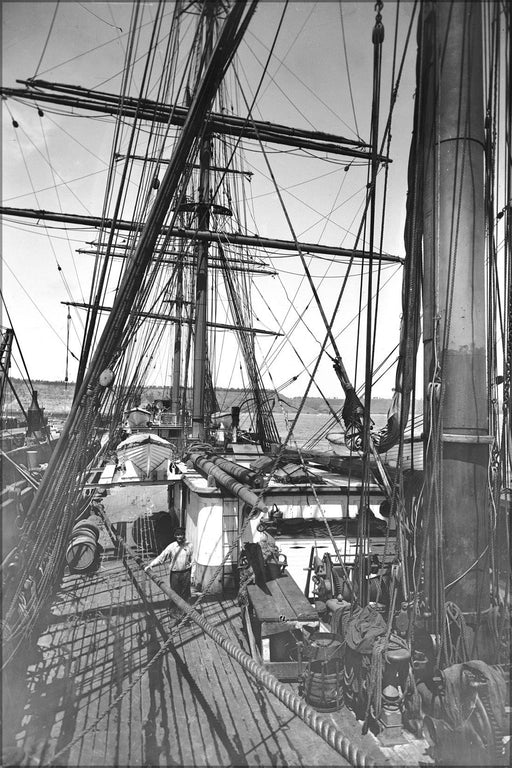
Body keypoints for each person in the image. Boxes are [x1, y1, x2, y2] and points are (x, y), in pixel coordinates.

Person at [144, 527, 194, 620]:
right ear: (175, 536)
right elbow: (161, 557)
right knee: (174, 594)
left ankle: (184, 615)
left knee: (186, 594)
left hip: (186, 573)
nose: (180, 536)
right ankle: (174, 615)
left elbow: (193, 560)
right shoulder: (172, 547)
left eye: (181, 534)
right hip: (175, 574)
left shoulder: (189, 546)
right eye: (178, 534)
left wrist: (192, 575)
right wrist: (151, 565)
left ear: (184, 535)